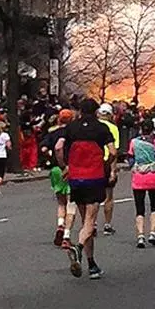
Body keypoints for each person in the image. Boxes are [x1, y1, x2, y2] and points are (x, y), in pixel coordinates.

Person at [55, 98, 116, 279]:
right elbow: (112, 151)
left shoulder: (71, 127)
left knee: (84, 222)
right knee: (90, 222)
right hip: (95, 177)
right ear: (96, 112)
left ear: (80, 111)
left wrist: (64, 166)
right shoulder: (101, 128)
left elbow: (58, 147)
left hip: (76, 177)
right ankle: (78, 247)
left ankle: (91, 264)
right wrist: (106, 163)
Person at [40, 109, 77, 248]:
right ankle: (67, 235)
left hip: (55, 170)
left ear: (59, 119)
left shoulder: (52, 133)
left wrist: (50, 156)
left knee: (61, 202)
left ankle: (60, 225)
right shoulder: (73, 134)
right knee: (71, 202)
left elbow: (43, 148)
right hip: (70, 168)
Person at [128, 119, 155, 247]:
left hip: (138, 177)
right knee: (154, 206)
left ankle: (141, 235)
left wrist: (136, 165)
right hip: (153, 177)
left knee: (139, 208)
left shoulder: (134, 142)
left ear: (141, 129)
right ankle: (153, 232)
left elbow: (130, 157)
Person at [97, 103, 120, 236]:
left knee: (92, 195)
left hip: (94, 163)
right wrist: (113, 170)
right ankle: (107, 224)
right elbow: (114, 151)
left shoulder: (93, 126)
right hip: (106, 162)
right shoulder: (113, 128)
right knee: (109, 196)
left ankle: (91, 223)